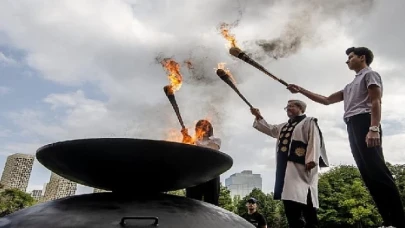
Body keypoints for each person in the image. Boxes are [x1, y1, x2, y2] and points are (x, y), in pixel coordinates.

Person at [286, 46, 405, 228]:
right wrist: (300, 90)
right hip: (352, 125)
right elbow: (326, 100)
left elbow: (375, 101)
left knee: (378, 171)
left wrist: (373, 128)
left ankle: (399, 221)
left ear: (362, 57)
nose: (347, 60)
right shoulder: (350, 86)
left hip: (365, 122)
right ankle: (388, 221)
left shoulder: (370, 75)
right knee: (368, 175)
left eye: (350, 57)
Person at [251, 100, 329, 228]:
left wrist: (311, 159)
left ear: (301, 108)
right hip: (287, 172)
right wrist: (258, 116)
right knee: (290, 202)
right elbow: (270, 129)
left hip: (303, 169)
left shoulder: (309, 122)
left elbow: (314, 140)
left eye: (291, 106)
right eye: (287, 107)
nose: (288, 109)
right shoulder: (283, 126)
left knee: (307, 203)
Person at [181, 119, 222, 206]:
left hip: (211, 174)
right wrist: (185, 137)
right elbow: (184, 150)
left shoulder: (215, 140)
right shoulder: (193, 140)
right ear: (197, 129)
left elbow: (209, 150)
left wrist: (191, 141)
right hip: (194, 174)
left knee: (212, 203)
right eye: (202, 127)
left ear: (210, 129)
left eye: (207, 127)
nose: (205, 129)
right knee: (191, 203)